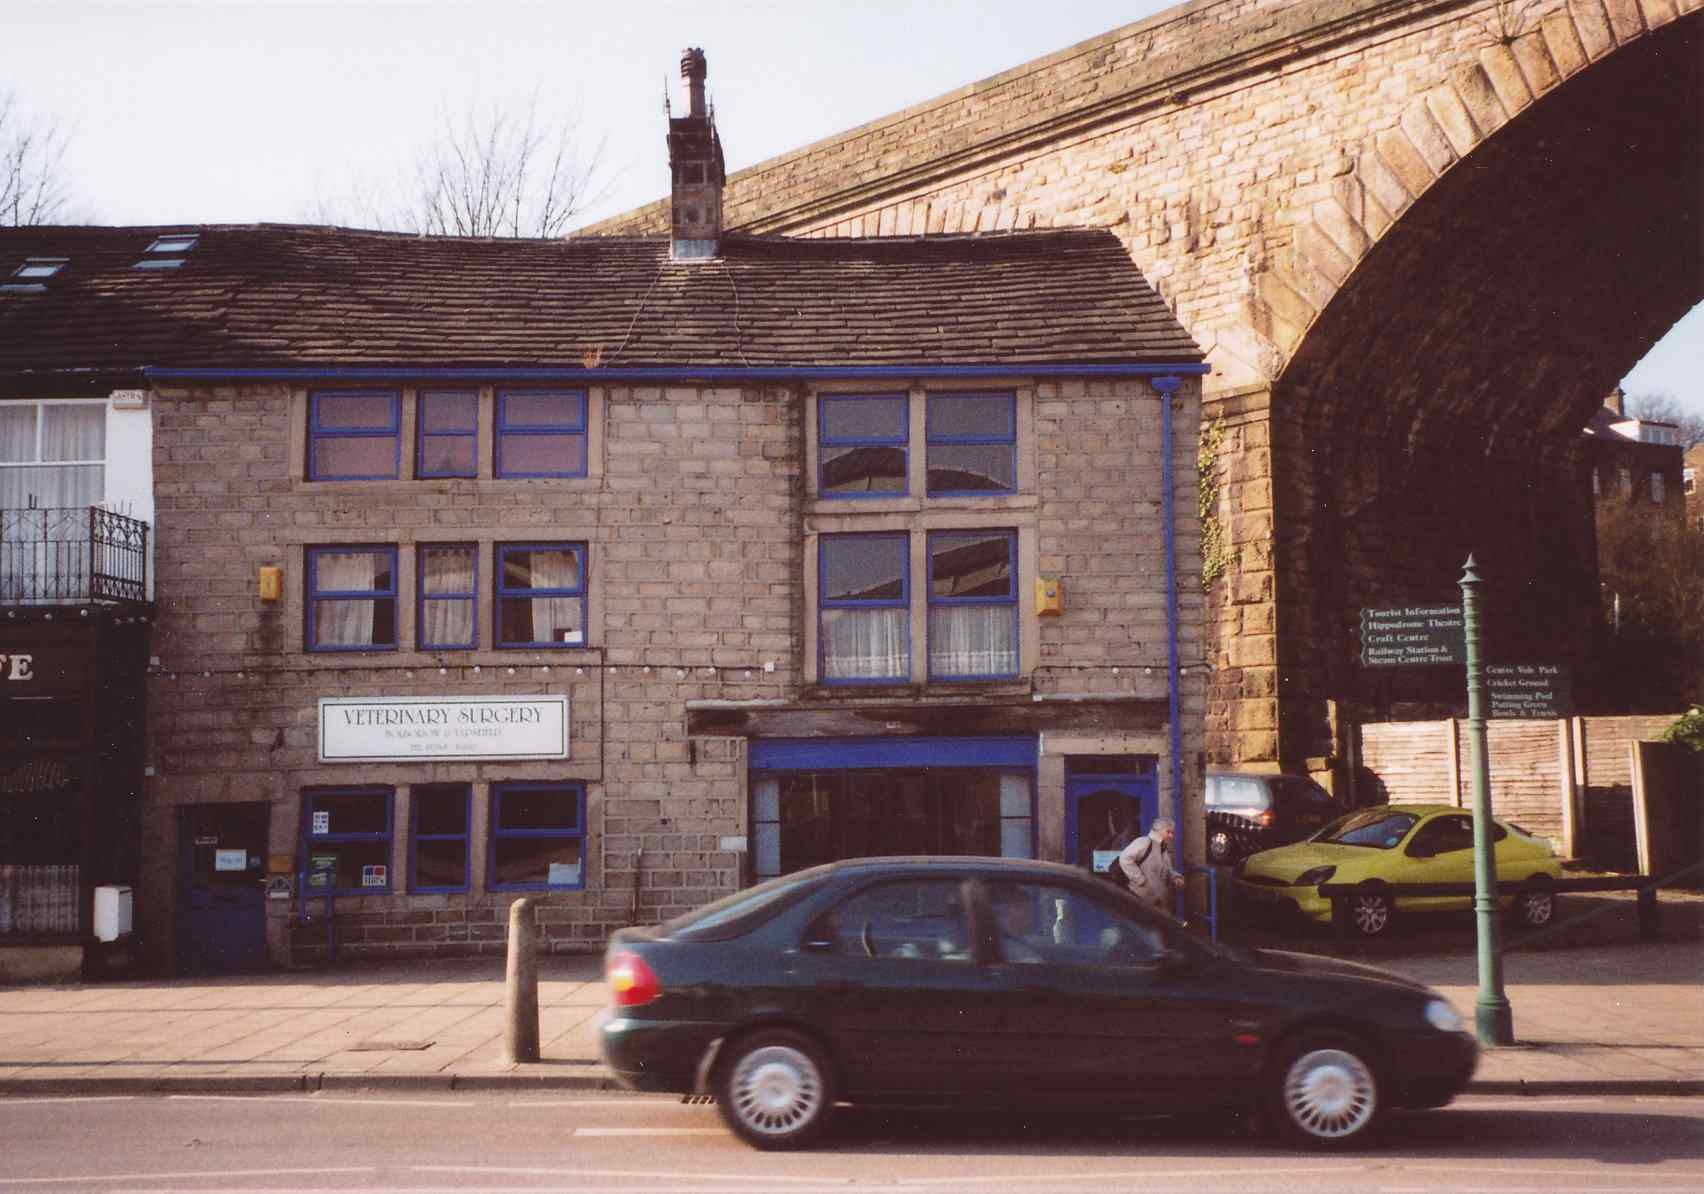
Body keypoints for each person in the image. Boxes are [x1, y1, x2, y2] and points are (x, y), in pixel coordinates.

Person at [1116, 816, 1186, 913]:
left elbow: (1167, 870)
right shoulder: (1144, 842)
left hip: (1155, 899)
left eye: (1172, 833)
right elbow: (1124, 858)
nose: (1171, 836)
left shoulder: (1163, 849)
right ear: (1158, 831)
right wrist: (1140, 880)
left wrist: (1175, 877)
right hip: (1139, 898)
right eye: (1168, 832)